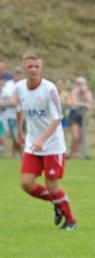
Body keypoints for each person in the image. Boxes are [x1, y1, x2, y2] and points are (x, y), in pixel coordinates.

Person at [14, 50, 78, 230]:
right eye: (30, 66)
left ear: (41, 68)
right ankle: (58, 203)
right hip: (32, 145)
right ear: (24, 68)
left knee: (52, 186)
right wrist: (20, 131)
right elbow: (20, 109)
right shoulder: (19, 87)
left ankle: (71, 221)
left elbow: (57, 117)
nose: (33, 69)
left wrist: (42, 139)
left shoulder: (49, 89)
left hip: (52, 145)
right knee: (26, 184)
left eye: (36, 66)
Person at [67, 76, 93, 159]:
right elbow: (73, 103)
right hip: (74, 116)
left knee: (81, 137)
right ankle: (71, 154)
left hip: (84, 117)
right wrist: (83, 104)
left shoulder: (88, 92)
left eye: (82, 83)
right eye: (79, 84)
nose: (80, 85)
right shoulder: (74, 92)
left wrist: (83, 99)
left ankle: (77, 154)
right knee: (75, 137)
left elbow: (90, 104)